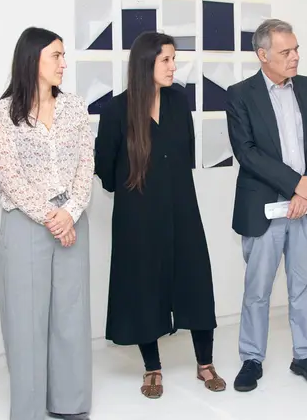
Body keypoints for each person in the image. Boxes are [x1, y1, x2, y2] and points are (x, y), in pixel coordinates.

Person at [95, 31, 224, 398]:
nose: (173, 66)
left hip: (182, 208)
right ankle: (152, 367)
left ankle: (205, 362)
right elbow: (105, 167)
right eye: (165, 59)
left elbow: (185, 151)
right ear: (145, 63)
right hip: (137, 216)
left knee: (195, 281)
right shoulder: (116, 111)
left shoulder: (179, 102)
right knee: (143, 287)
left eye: (173, 59)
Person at [0, 27, 94, 420]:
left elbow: (87, 166)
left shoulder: (76, 109)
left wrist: (71, 211)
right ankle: (28, 410)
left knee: (70, 312)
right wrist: (51, 216)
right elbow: (9, 176)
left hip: (72, 219)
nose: (64, 63)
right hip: (25, 222)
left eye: (64, 56)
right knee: (25, 316)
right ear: (32, 60)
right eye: (56, 56)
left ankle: (70, 401)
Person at [226, 18, 307, 392]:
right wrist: (295, 185)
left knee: (304, 282)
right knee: (257, 288)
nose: (295, 57)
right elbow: (248, 153)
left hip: (305, 207)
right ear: (263, 55)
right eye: (286, 52)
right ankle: (251, 359)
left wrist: (306, 190)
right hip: (264, 208)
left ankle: (305, 354)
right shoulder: (240, 95)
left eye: (296, 49)